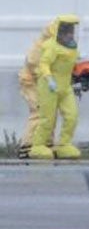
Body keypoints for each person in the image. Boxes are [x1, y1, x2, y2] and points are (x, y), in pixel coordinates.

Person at [28, 15, 81, 159]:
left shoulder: (72, 46)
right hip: (49, 86)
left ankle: (64, 144)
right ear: (59, 32)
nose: (70, 34)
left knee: (72, 116)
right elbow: (44, 64)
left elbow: (73, 61)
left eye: (72, 31)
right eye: (67, 32)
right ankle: (38, 146)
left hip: (65, 87)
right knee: (48, 119)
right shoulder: (51, 46)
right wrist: (49, 79)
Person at [17, 19, 58, 158]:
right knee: (39, 112)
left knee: (50, 112)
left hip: (42, 83)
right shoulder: (40, 47)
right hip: (31, 84)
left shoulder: (54, 46)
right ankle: (26, 146)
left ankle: (46, 144)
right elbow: (36, 68)